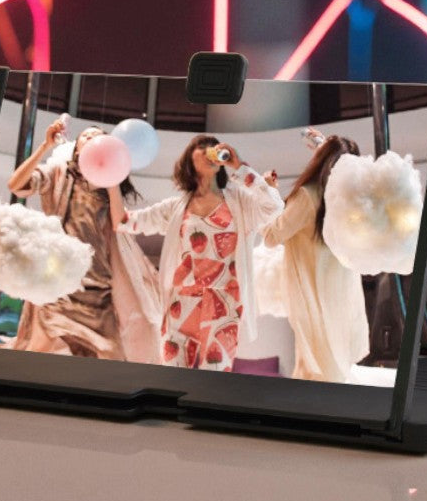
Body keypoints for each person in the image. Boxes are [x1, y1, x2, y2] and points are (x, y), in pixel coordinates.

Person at [110, 134, 283, 371]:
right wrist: (110, 181)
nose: (210, 150)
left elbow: (273, 207)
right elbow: (124, 222)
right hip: (181, 300)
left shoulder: (240, 201)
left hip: (225, 301)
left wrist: (239, 166)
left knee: (213, 379)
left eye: (214, 147)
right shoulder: (176, 206)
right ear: (189, 159)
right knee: (172, 375)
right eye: (202, 147)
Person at [6, 119, 160, 361]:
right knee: (36, 355)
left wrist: (113, 177)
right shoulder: (58, 173)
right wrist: (44, 147)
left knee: (112, 357)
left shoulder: (110, 185)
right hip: (58, 281)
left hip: (98, 288)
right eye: (86, 136)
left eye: (97, 136)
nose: (91, 139)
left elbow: (120, 223)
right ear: (77, 147)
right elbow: (16, 185)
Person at [260, 132, 369, 383]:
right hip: (342, 292)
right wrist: (324, 147)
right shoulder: (350, 199)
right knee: (332, 363)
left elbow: (271, 236)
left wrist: (267, 194)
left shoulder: (308, 196)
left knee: (315, 368)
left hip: (312, 292)